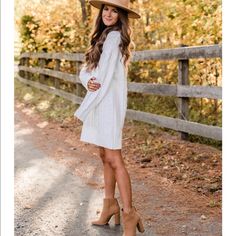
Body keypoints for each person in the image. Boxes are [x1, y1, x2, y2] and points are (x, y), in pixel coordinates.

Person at [74, 1, 145, 235]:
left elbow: (102, 76)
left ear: (121, 16)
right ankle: (109, 205)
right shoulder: (102, 36)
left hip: (108, 104)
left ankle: (129, 213)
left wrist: (90, 94)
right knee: (104, 154)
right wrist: (88, 81)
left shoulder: (115, 38)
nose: (109, 13)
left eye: (115, 10)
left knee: (114, 157)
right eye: (106, 8)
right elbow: (86, 71)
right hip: (100, 101)